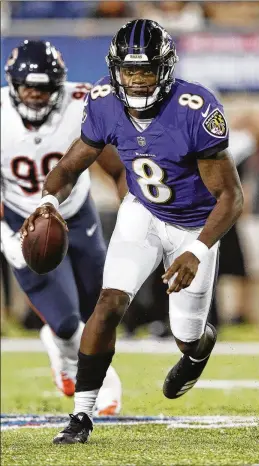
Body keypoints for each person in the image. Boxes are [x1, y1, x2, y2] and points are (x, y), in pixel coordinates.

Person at [21, 20, 244, 444]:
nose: (137, 81)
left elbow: (231, 197)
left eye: (146, 71)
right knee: (109, 302)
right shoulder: (104, 100)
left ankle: (199, 348)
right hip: (141, 211)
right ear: (115, 69)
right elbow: (69, 166)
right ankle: (82, 415)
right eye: (129, 71)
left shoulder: (195, 108)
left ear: (166, 69)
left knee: (186, 336)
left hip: (195, 224)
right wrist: (47, 202)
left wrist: (196, 249)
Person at [1, 39, 125, 414]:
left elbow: (118, 168)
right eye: (29, 87)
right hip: (23, 220)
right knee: (68, 322)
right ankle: (95, 374)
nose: (36, 96)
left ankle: (68, 349)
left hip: (76, 212)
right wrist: (7, 239)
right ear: (13, 84)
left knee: (101, 306)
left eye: (44, 88)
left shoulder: (82, 104)